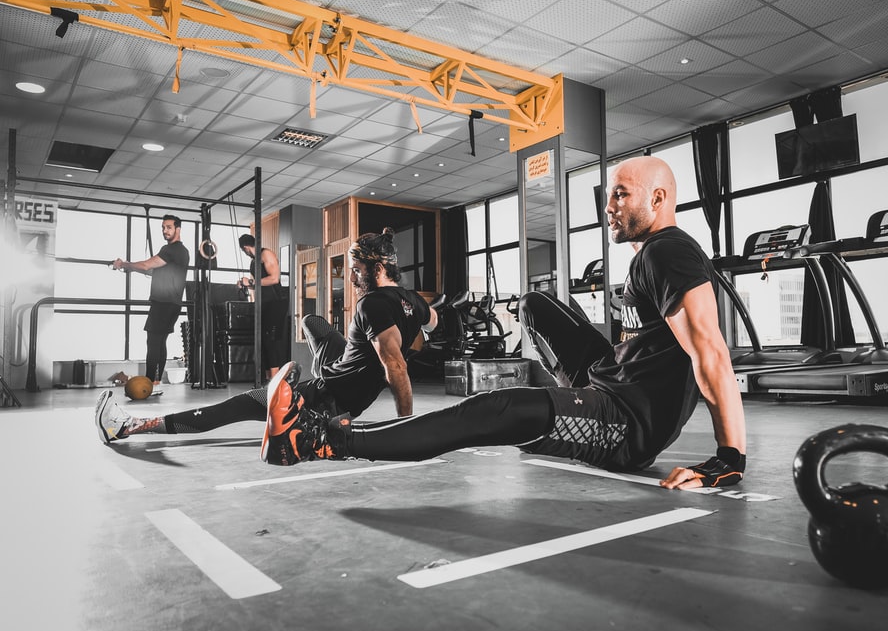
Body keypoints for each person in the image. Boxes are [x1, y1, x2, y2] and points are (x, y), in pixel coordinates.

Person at [261, 156, 748, 490]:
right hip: (613, 384)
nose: (609, 206)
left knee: (492, 411)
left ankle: (320, 440)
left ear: (658, 198)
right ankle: (570, 400)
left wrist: (729, 460)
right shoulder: (652, 255)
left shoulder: (672, 251)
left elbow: (710, 351)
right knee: (535, 305)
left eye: (621, 195)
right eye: (609, 195)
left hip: (625, 426)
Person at [95, 228, 438, 443]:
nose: (351, 278)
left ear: (377, 270)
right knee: (313, 322)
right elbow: (433, 322)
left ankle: (128, 428)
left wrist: (404, 428)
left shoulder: (372, 306)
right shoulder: (413, 303)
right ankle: (323, 367)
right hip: (344, 380)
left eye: (356, 271)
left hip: (324, 400)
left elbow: (396, 368)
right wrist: (416, 333)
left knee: (235, 406)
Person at [112, 214, 190, 385]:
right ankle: (154, 381)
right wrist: (132, 269)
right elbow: (151, 270)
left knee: (154, 341)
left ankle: (148, 382)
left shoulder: (171, 249)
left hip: (163, 303)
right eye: (163, 227)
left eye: (168, 227)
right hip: (173, 304)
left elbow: (147, 265)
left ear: (178, 229)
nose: (165, 231)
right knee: (160, 341)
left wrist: (124, 264)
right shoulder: (182, 252)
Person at [237, 233, 289, 380]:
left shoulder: (266, 254)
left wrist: (252, 283)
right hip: (264, 303)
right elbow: (258, 285)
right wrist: (244, 285)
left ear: (246, 248)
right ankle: (268, 379)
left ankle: (275, 379)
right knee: (263, 341)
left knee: (271, 340)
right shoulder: (253, 261)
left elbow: (274, 278)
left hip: (277, 302)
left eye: (244, 250)